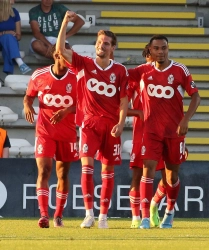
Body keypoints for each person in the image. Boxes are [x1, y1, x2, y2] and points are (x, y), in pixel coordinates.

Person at [56, 11, 128, 229]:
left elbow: (124, 101)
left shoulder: (120, 71)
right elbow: (60, 50)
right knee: (86, 167)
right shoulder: (83, 64)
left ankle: (104, 217)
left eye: (106, 43)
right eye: (99, 42)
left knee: (107, 172)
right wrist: (64, 23)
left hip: (111, 126)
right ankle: (89, 214)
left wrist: (122, 122)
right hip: (89, 124)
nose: (102, 46)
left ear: (113, 48)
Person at [129, 35, 200, 229]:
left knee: (171, 177)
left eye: (164, 48)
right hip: (151, 131)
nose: (161, 52)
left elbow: (196, 97)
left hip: (174, 132)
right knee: (147, 171)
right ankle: (144, 218)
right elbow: (118, 75)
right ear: (150, 51)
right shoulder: (143, 71)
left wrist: (185, 120)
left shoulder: (180, 70)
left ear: (168, 49)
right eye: (157, 48)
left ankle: (169, 212)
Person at [23, 45, 78, 228]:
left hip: (68, 133)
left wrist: (68, 110)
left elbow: (86, 104)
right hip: (45, 132)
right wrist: (27, 105)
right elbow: (29, 96)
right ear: (56, 55)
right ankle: (44, 215)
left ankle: (59, 215)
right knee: (44, 170)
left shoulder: (77, 77)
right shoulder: (40, 75)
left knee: (62, 174)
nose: (69, 58)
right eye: (65, 55)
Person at [127, 44, 167, 228]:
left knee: (169, 178)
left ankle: (153, 204)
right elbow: (120, 108)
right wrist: (139, 113)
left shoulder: (166, 80)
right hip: (142, 133)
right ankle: (136, 217)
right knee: (138, 175)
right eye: (150, 60)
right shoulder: (137, 80)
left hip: (165, 132)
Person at [0, 0, 31, 74]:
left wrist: (15, 35)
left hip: (9, 42)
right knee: (7, 37)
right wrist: (5, 33)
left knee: (8, 41)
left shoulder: (15, 12)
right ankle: (19, 62)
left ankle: (9, 75)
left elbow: (19, 36)